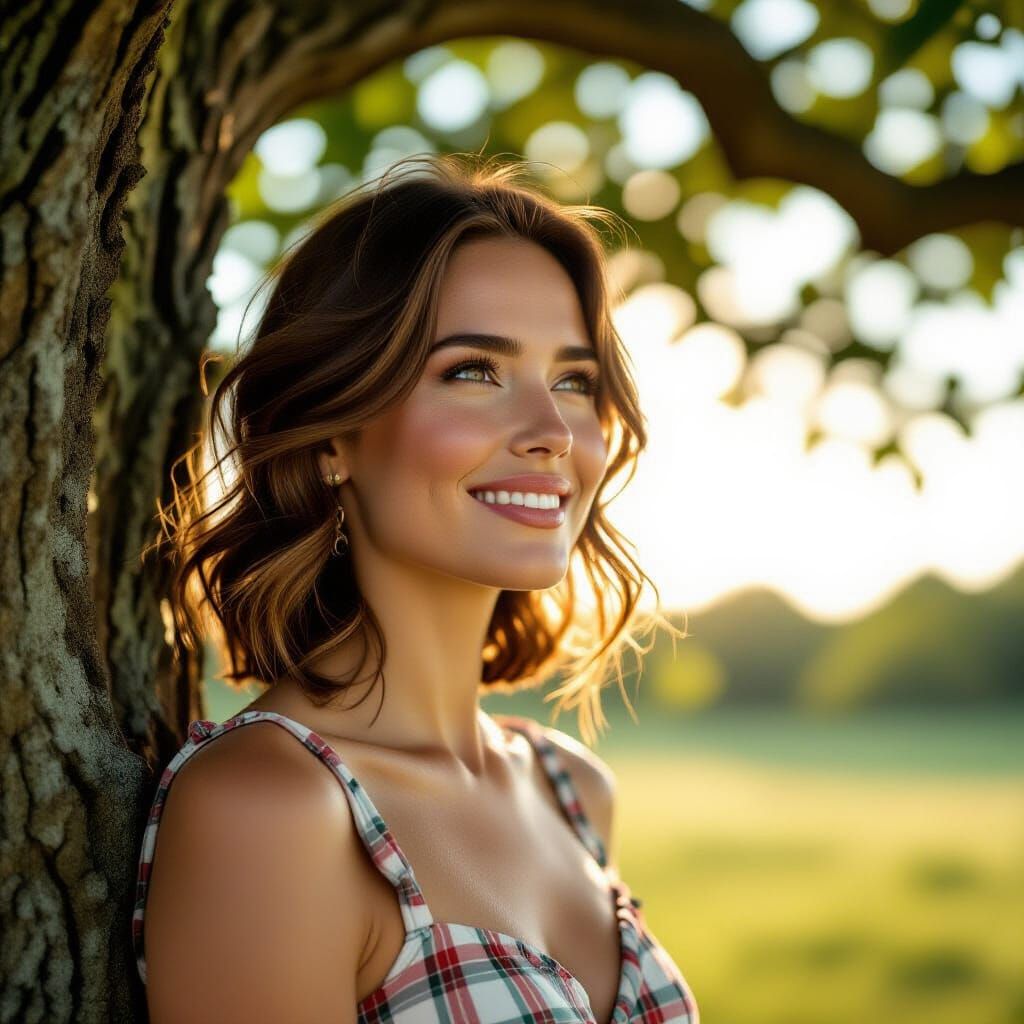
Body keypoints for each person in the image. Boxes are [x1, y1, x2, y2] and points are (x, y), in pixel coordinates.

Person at [132, 152, 698, 1023]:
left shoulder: (571, 787)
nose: (551, 431)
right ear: (333, 436)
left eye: (574, 381)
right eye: (474, 370)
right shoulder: (267, 809)